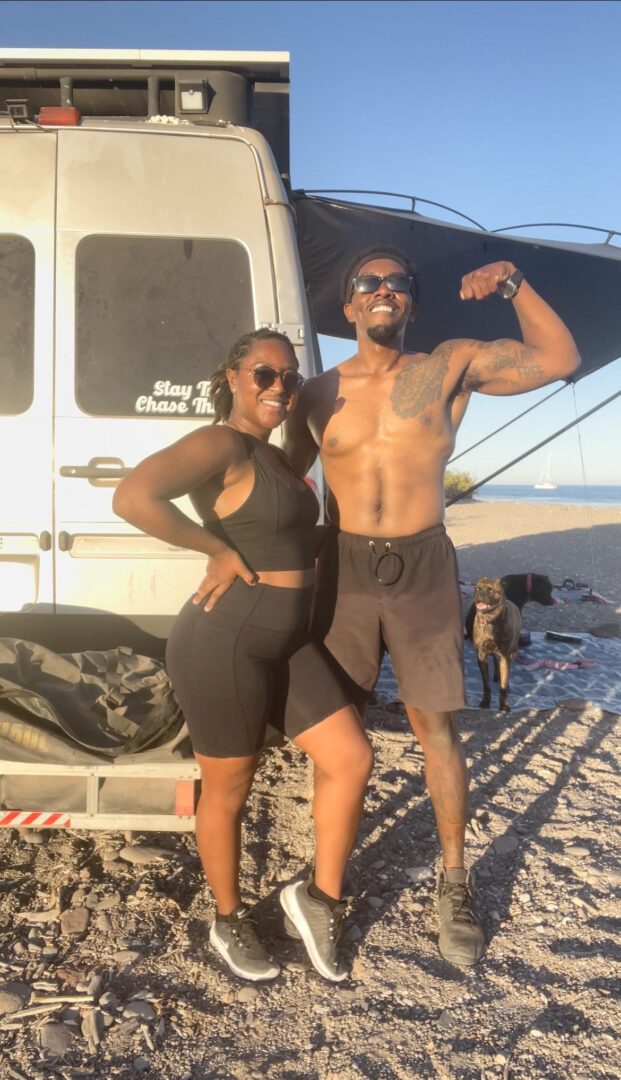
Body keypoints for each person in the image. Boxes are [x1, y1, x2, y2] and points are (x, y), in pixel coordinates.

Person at [280, 248, 581, 967]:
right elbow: (282, 484)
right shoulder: (317, 393)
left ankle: (452, 883)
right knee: (340, 730)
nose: (383, 291)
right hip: (344, 566)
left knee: (435, 729)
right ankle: (327, 889)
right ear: (349, 306)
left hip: (420, 564)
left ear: (410, 303)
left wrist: (511, 281)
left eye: (396, 283)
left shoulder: (449, 364)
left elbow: (560, 358)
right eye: (368, 283)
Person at [112, 328, 373, 983]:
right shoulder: (222, 442)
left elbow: (288, 534)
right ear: (232, 376)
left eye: (288, 376)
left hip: (287, 641)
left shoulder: (279, 455)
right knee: (229, 790)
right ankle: (227, 919)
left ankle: (317, 900)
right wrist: (213, 549)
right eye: (264, 373)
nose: (278, 386)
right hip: (224, 641)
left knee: (350, 758)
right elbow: (133, 496)